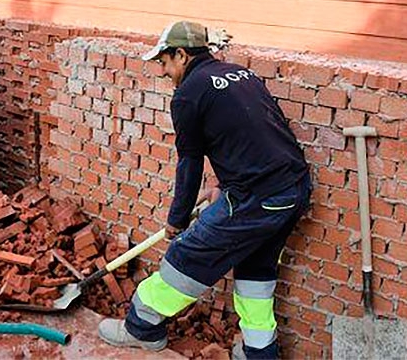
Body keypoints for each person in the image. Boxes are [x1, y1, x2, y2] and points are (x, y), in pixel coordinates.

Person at [98, 21, 312, 359]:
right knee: (256, 270)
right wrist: (219, 185)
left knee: (186, 257)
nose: (165, 72)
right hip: (292, 190)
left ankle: (141, 327)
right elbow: (245, 135)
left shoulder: (188, 94)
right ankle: (260, 352)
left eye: (165, 62)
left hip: (254, 197)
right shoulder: (242, 75)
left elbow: (190, 162)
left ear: (182, 54)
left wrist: (177, 220)